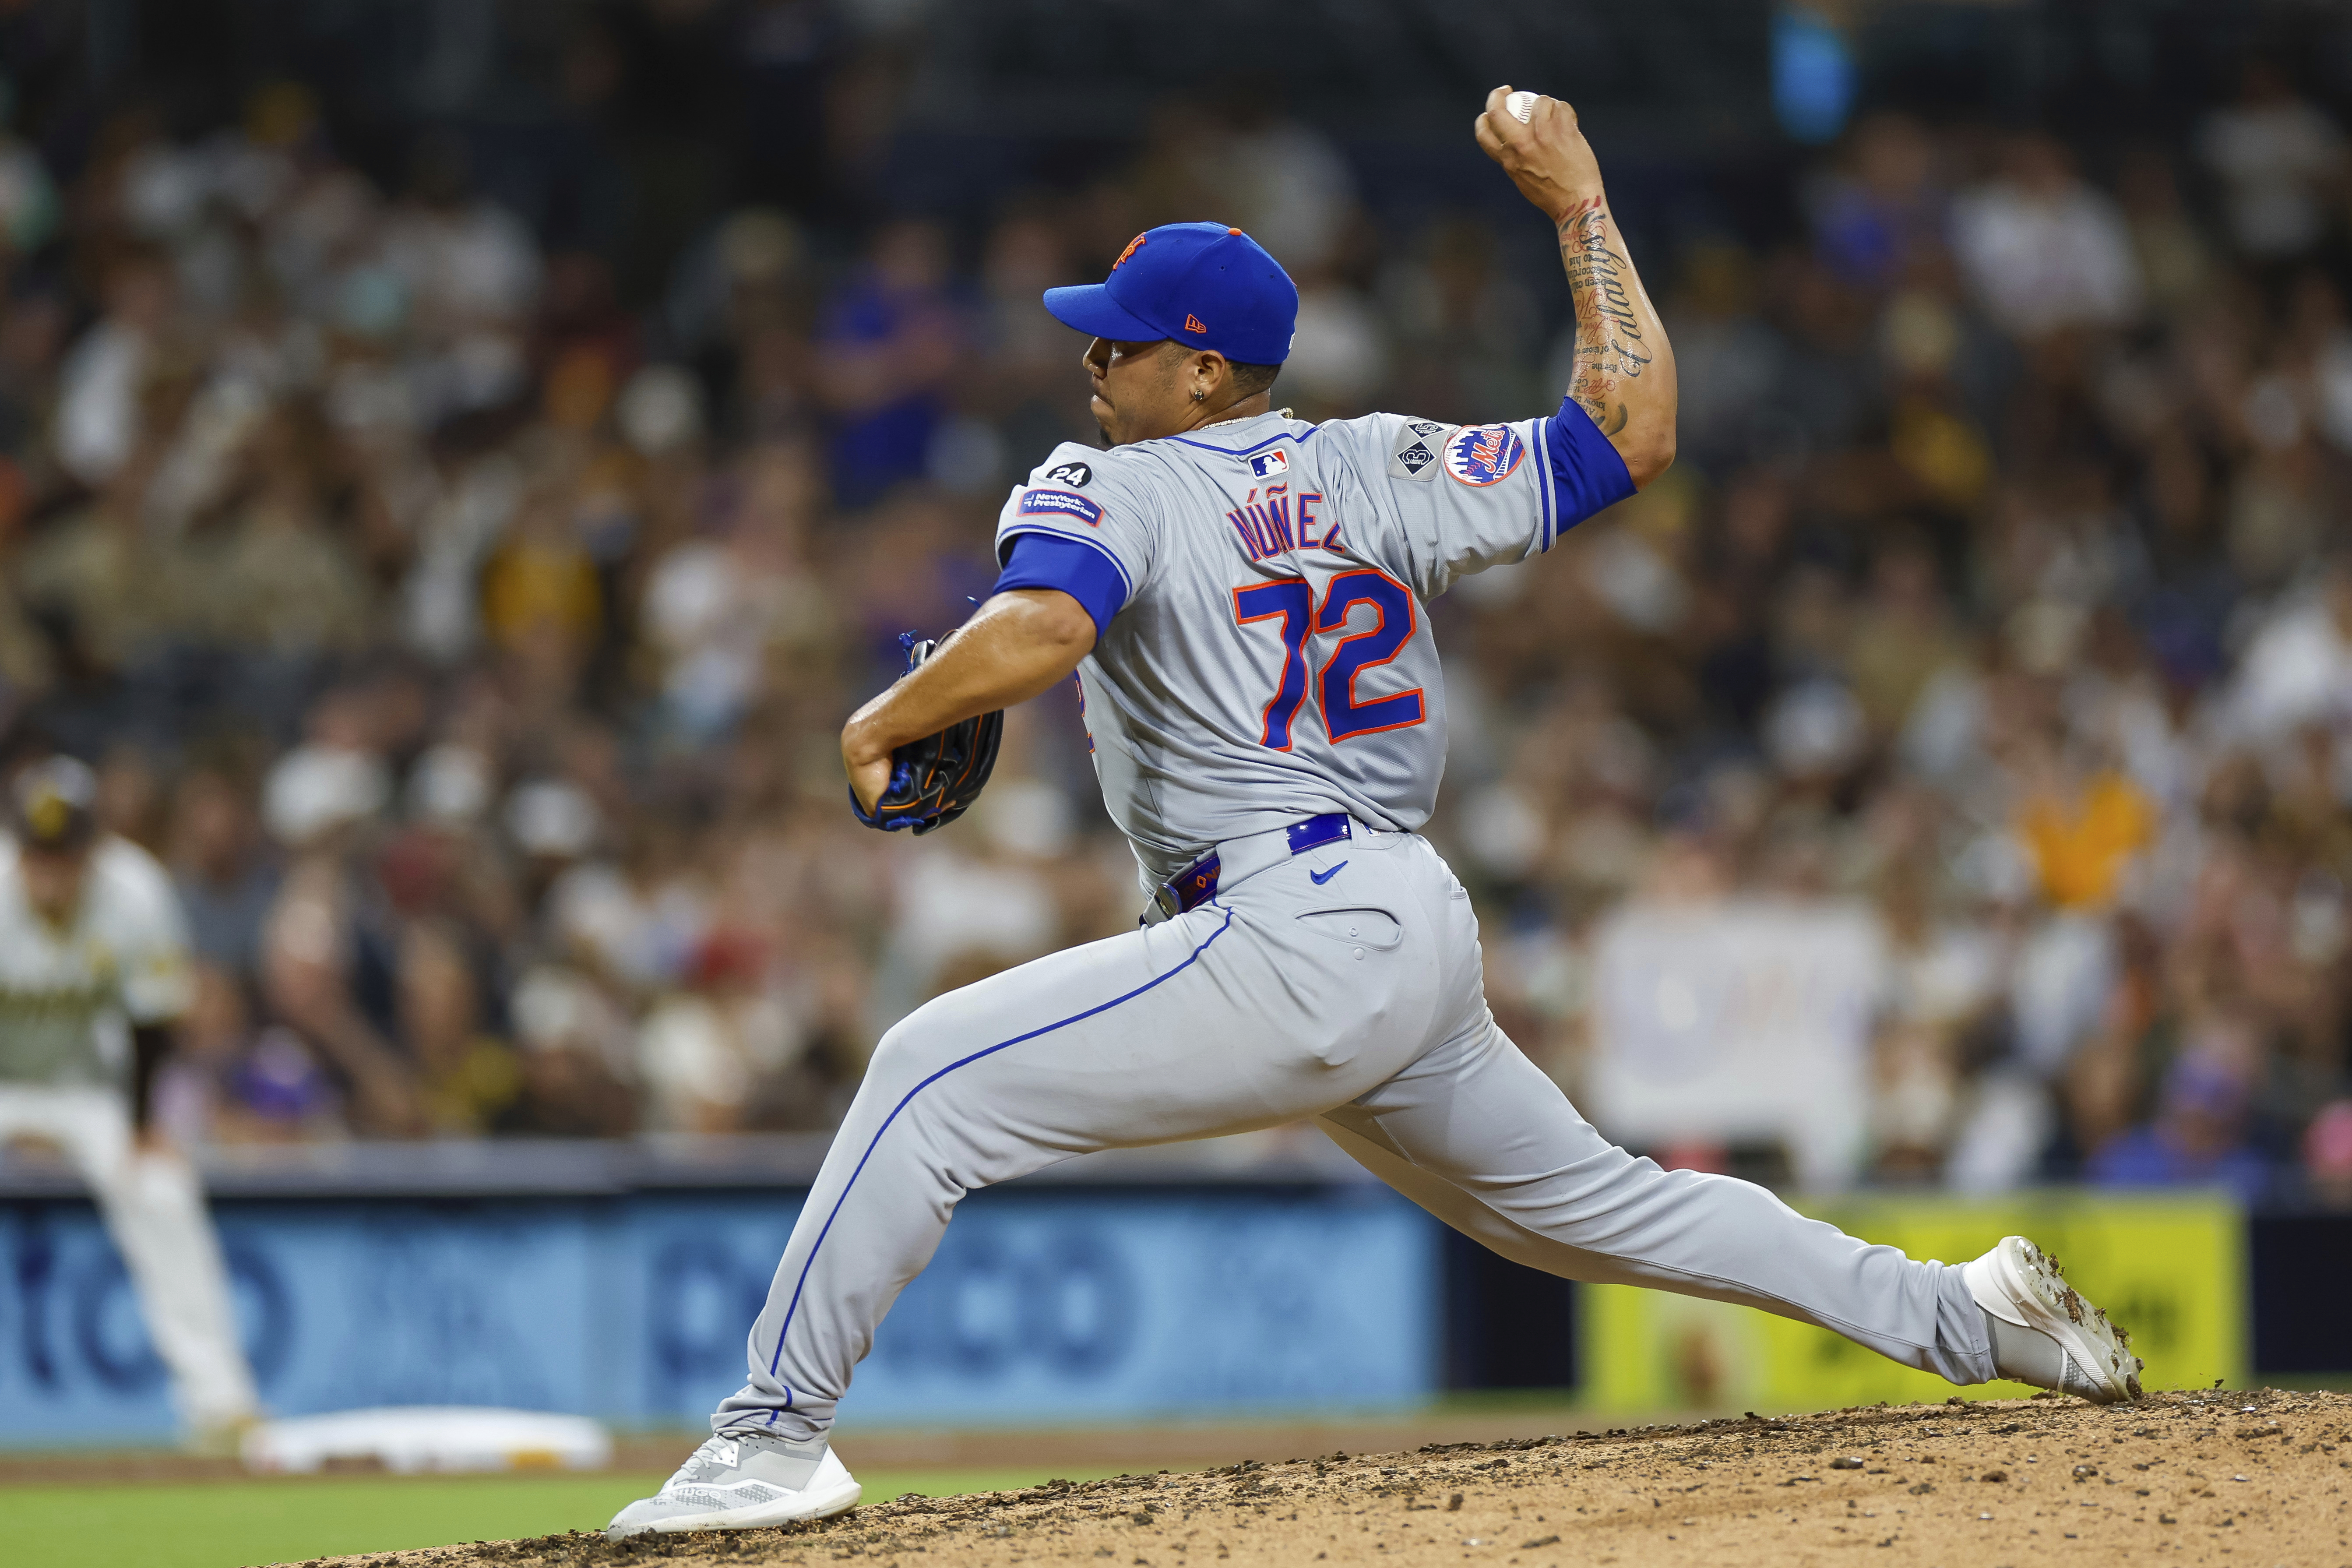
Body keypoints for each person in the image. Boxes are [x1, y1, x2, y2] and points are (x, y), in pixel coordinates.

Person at [609, 89, 2142, 1539]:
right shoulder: (1378, 461)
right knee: (1605, 1209)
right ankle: (1965, 1312)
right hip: (1403, 921)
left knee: (925, 1070)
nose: (1094, 367)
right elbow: (1627, 431)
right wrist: (1583, 206)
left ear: (1203, 371)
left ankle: (769, 1436)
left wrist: (889, 713)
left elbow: (1054, 627)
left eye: (1123, 347)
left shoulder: (1104, 483)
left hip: (1284, 926)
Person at [0, 757, 260, 1449]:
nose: (51, 871)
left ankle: (220, 1403)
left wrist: (144, 1126)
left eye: (66, 854)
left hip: (94, 1093)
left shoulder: (135, 889)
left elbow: (154, 1021)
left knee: (163, 1187)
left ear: (93, 849)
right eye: (38, 854)